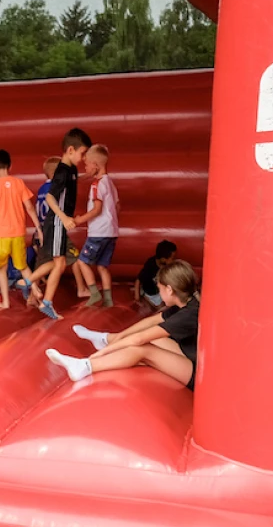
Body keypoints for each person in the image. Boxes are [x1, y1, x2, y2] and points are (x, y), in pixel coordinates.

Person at [47, 259, 201, 390]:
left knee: (142, 349)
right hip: (190, 355)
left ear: (169, 289)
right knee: (153, 339)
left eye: (160, 289)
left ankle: (86, 366)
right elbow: (152, 321)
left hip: (196, 373)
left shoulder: (188, 314)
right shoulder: (187, 303)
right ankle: (105, 339)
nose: (159, 294)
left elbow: (139, 340)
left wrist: (102, 353)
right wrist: (120, 336)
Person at [24, 127, 92, 320]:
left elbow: (72, 181)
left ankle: (30, 285)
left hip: (59, 223)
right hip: (56, 223)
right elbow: (51, 198)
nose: (84, 157)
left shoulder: (70, 170)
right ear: (70, 150)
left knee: (59, 264)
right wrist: (63, 217)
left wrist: (88, 175)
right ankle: (44, 300)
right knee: (59, 263)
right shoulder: (62, 171)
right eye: (83, 153)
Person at [0, 149, 43, 309]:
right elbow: (30, 208)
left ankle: (5, 302)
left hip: (1, 235)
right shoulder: (19, 183)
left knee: (1, 268)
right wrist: (38, 227)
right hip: (18, 232)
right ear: (9, 166)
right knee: (23, 266)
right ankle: (35, 288)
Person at [73, 144, 119, 308]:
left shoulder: (97, 185)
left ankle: (94, 293)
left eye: (86, 165)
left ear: (95, 165)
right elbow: (117, 206)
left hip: (98, 232)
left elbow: (97, 210)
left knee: (82, 262)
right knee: (102, 266)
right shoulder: (110, 183)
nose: (85, 168)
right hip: (111, 232)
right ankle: (108, 299)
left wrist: (79, 220)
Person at [135, 240, 178, 309]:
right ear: (163, 259)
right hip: (150, 293)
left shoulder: (168, 266)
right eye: (172, 258)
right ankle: (144, 296)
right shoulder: (150, 265)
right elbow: (138, 280)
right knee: (160, 308)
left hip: (161, 291)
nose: (173, 260)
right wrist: (137, 297)